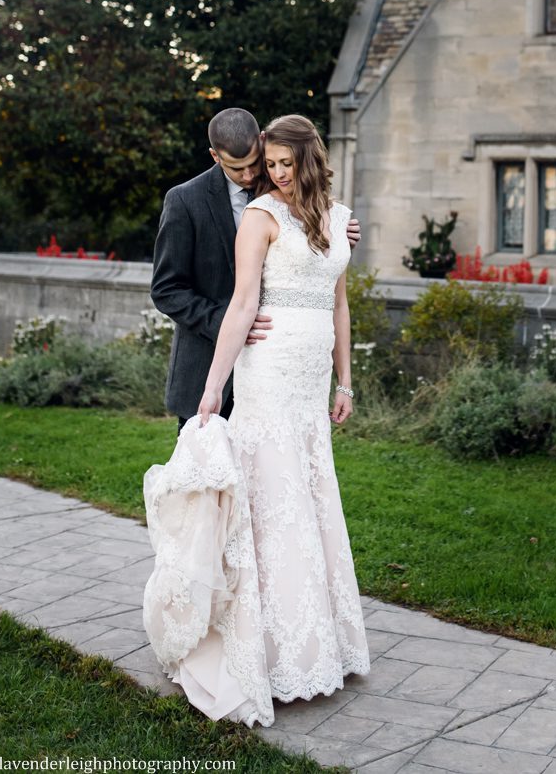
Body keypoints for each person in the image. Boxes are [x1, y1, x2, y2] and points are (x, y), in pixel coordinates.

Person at [143, 114, 370, 727]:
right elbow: (184, 290)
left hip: (304, 381)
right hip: (237, 358)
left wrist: (343, 378)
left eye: (271, 164)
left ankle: (308, 640)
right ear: (219, 157)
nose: (260, 175)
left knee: (303, 499)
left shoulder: (328, 213)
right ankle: (227, 628)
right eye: (251, 167)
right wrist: (216, 381)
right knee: (238, 505)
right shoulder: (197, 203)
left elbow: (338, 296)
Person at [150, 107, 360, 430]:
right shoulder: (184, 201)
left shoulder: (283, 182)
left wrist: (338, 239)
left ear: (262, 141)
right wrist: (226, 321)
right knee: (207, 476)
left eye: (253, 162)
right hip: (206, 362)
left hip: (276, 371)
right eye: (237, 169)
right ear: (214, 156)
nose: (250, 175)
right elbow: (166, 289)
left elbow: (308, 247)